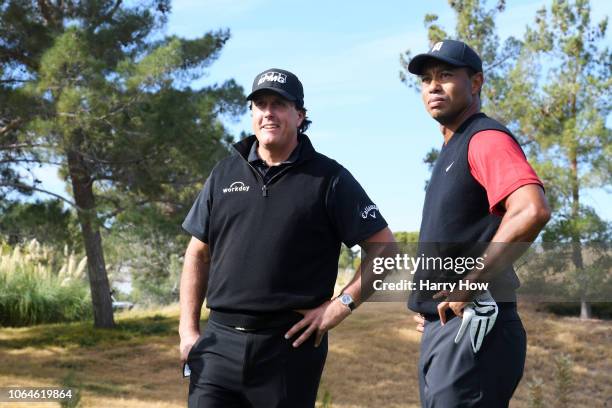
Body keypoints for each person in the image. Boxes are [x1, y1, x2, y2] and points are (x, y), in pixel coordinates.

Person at [179, 68, 394, 408]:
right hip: (218, 344)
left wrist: (341, 306)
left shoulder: (329, 178)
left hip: (289, 349)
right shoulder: (223, 173)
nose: (268, 113)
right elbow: (197, 255)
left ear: (300, 115)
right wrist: (188, 332)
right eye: (260, 104)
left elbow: (385, 250)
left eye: (278, 104)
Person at [406, 40, 551, 407]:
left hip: (475, 324)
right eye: (426, 79)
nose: (433, 86)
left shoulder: (484, 138)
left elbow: (531, 210)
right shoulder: (452, 149)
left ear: (476, 83)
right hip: (449, 330)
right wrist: (428, 306)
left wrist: (469, 284)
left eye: (446, 75)